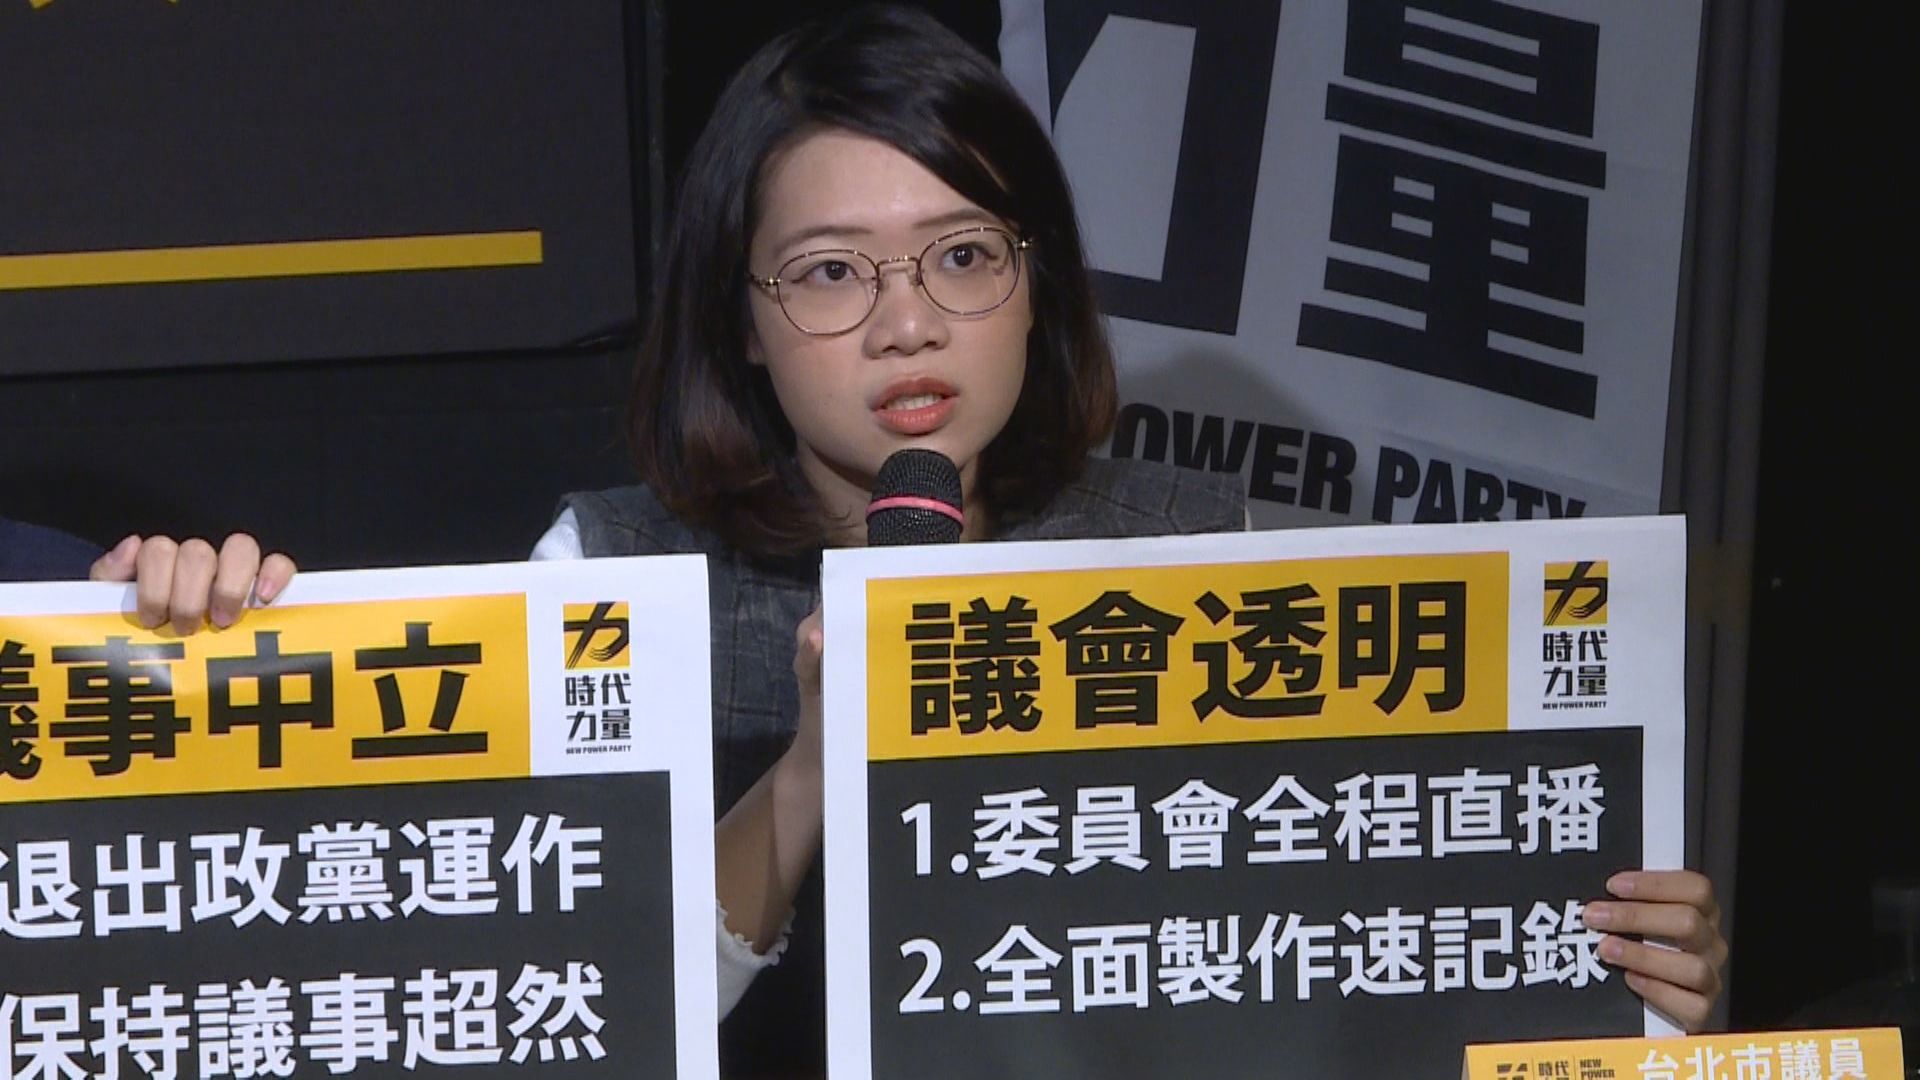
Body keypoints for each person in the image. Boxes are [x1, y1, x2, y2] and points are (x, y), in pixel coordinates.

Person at [524, 6, 1726, 1074]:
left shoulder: (1197, 550)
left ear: (1036, 279)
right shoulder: (609, 580)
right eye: (831, 272)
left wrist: (1617, 975)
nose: (908, 325)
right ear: (741, 318)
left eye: (963, 256)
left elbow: (1329, 958)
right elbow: (565, 1010)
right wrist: (810, 773)